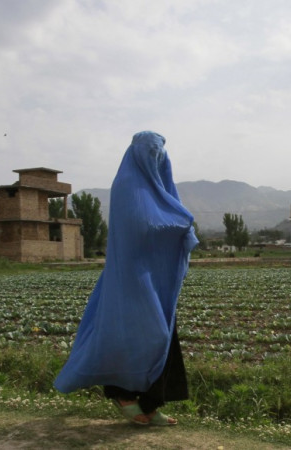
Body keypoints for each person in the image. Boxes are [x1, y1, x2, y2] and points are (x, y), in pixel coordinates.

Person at [54, 131, 198, 426]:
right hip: (130, 277)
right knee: (138, 335)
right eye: (151, 152)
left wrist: (181, 225)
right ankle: (123, 394)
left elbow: (171, 217)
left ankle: (152, 404)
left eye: (159, 153)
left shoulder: (161, 187)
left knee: (164, 339)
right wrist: (179, 224)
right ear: (136, 153)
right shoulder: (127, 184)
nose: (155, 158)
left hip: (156, 280)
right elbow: (140, 225)